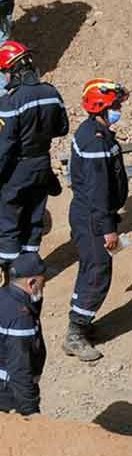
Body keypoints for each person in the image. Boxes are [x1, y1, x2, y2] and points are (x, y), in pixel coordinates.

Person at [0, 41, 68, 277]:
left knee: (8, 222)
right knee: (34, 218)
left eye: (6, 72)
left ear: (14, 70)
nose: (5, 77)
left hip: (17, 170)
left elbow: (2, 147)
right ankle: (32, 269)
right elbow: (62, 128)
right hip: (42, 164)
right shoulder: (52, 93)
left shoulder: (10, 102)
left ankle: (13, 277)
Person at [63, 79, 129, 362]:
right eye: (115, 105)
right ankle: (75, 334)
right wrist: (108, 229)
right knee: (97, 272)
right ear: (101, 107)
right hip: (92, 216)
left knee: (92, 268)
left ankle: (82, 323)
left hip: (90, 213)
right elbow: (99, 189)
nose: (119, 109)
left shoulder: (96, 132)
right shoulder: (95, 140)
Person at [0, 253, 47, 416]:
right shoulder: (21, 319)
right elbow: (20, 369)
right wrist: (30, 411)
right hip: (8, 398)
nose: (44, 288)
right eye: (43, 283)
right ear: (31, 282)